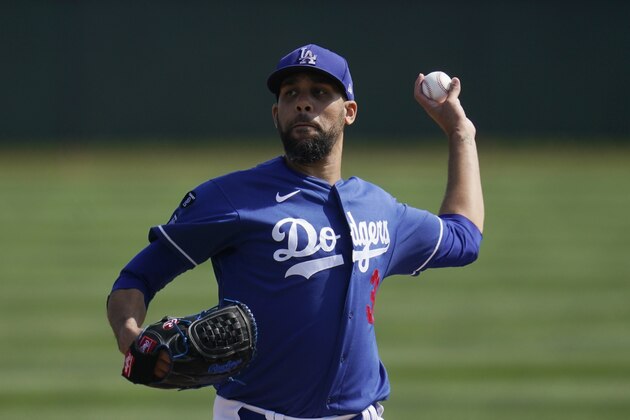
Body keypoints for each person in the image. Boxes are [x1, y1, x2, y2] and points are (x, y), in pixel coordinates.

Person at [107, 43, 484, 420]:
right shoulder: (231, 197)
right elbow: (137, 277)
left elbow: (463, 239)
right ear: (277, 113)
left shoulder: (380, 209)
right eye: (291, 94)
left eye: (320, 93)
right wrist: (131, 337)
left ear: (349, 112)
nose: (303, 103)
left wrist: (460, 134)